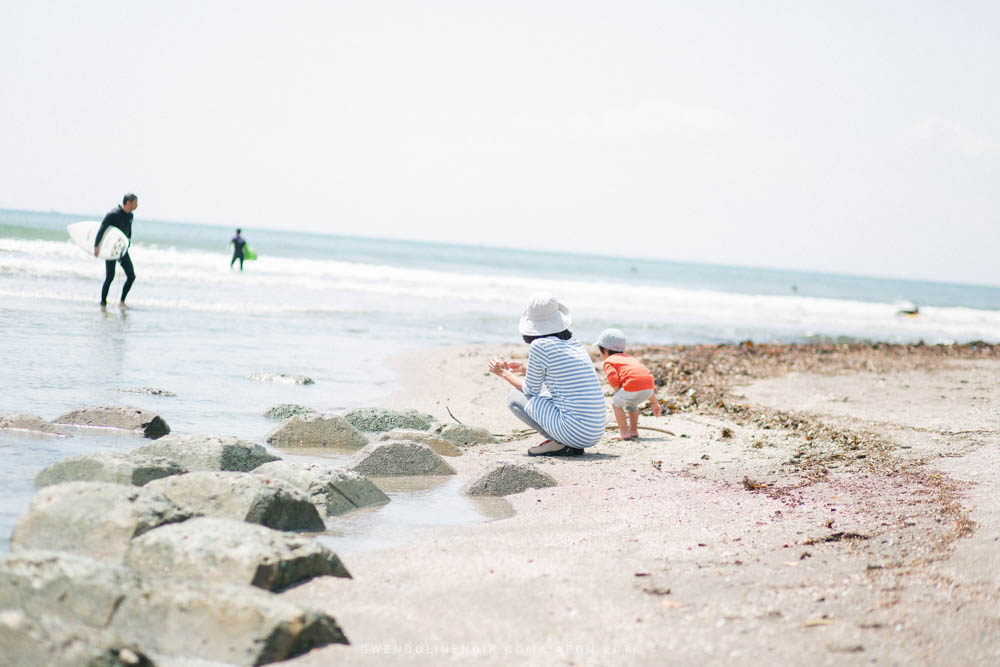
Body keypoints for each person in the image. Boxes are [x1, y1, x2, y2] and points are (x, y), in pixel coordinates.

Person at [488, 293, 606, 456]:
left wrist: (503, 373)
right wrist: (524, 368)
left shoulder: (539, 345)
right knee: (546, 391)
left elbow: (531, 391)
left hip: (576, 432)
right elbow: (561, 376)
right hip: (594, 431)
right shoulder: (573, 342)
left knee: (514, 398)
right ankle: (567, 442)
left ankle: (559, 443)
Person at [595, 328, 662, 440]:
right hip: (649, 388)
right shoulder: (630, 358)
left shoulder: (609, 361)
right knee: (632, 404)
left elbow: (613, 378)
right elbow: (644, 379)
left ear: (605, 350)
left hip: (633, 387)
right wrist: (655, 403)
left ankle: (624, 432)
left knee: (616, 403)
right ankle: (633, 431)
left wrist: (618, 391)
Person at [95, 193, 138, 309]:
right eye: (135, 202)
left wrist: (128, 242)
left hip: (122, 250)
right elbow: (102, 228)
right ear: (128, 202)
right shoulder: (113, 214)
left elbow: (128, 231)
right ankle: (103, 303)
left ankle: (122, 301)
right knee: (110, 276)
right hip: (110, 250)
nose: (137, 205)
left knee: (131, 276)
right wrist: (96, 245)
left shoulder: (130, 216)